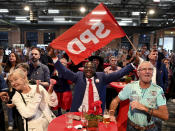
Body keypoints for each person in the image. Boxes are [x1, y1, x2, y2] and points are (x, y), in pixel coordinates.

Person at [54, 55, 139, 112]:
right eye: (86, 68)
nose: (88, 70)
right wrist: (54, 57)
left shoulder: (102, 77)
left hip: (96, 113)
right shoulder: (78, 76)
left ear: (95, 70)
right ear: (83, 69)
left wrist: (133, 65)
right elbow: (64, 71)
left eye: (91, 68)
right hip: (79, 112)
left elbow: (118, 73)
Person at [110, 61, 169, 131]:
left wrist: (144, 108)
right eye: (144, 69)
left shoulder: (158, 90)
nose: (147, 71)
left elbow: (165, 116)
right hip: (131, 128)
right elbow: (116, 100)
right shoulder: (130, 87)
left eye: (150, 69)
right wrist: (111, 114)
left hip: (150, 128)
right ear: (138, 73)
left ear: (153, 73)